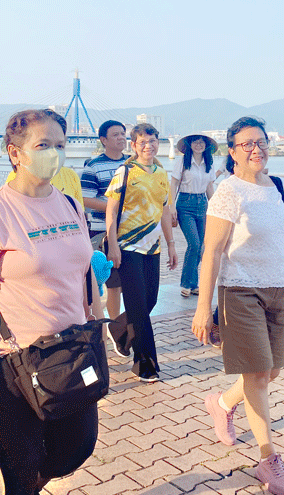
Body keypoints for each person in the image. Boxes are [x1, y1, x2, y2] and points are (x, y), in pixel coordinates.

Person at [0, 109, 104, 495]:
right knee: (18, 463)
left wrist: (97, 318)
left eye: (60, 145)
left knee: (77, 445)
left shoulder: (71, 205)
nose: (54, 154)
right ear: (15, 153)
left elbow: (84, 268)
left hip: (68, 351)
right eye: (43, 145)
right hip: (5, 362)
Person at [192, 116, 284, 495]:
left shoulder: (277, 187)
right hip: (240, 293)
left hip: (279, 289)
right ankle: (269, 461)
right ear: (233, 152)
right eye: (247, 144)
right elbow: (212, 251)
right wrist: (204, 306)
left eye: (262, 142)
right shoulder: (228, 191)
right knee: (257, 376)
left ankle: (221, 403)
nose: (257, 149)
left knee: (270, 372)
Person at [105, 123, 177, 382]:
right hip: (128, 246)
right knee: (138, 307)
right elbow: (111, 211)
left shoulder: (161, 172)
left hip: (153, 247)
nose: (149, 146)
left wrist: (170, 244)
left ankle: (118, 330)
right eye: (143, 142)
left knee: (150, 302)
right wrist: (113, 245)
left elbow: (165, 210)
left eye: (153, 141)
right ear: (133, 145)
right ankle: (144, 364)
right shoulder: (125, 171)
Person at [80, 120, 128, 327]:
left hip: (131, 231)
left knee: (129, 282)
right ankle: (115, 327)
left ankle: (125, 324)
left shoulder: (132, 164)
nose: (121, 138)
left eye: (123, 134)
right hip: (103, 232)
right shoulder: (93, 166)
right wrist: (112, 209)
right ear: (103, 140)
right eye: (116, 134)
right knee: (113, 283)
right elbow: (85, 199)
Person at [171, 134, 217, 297]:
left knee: (201, 246)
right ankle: (185, 283)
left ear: (206, 146)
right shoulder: (183, 162)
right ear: (190, 145)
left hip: (202, 203)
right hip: (185, 203)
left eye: (202, 142)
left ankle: (193, 283)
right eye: (195, 142)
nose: (199, 145)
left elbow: (210, 187)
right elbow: (174, 184)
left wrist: (216, 207)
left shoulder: (209, 164)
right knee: (194, 244)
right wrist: (171, 207)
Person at [5, 163, 84, 205]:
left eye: (59, 146)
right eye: (43, 145)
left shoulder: (71, 175)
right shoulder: (16, 176)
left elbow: (79, 212)